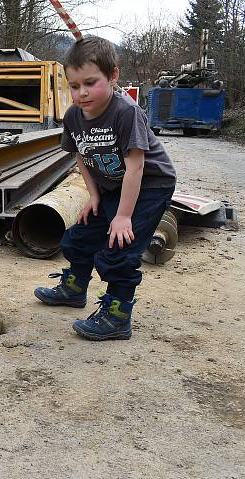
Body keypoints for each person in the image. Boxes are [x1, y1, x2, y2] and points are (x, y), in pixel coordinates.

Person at [34, 36, 176, 340]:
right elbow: (80, 155)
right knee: (80, 236)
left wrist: (123, 216)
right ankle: (73, 289)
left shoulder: (126, 112)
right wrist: (94, 196)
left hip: (150, 185)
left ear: (113, 76)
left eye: (90, 82)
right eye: (74, 86)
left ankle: (117, 316)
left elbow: (136, 166)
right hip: (113, 184)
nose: (82, 93)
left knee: (119, 249)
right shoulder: (74, 115)